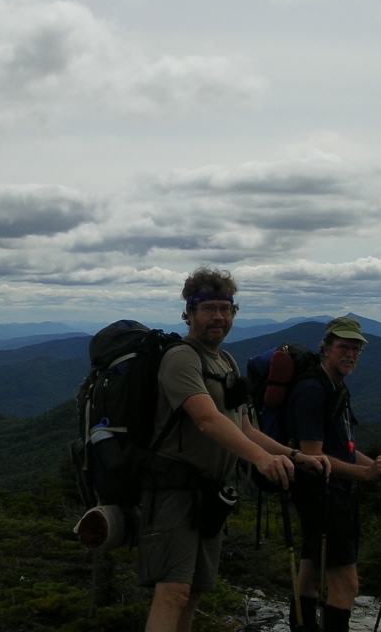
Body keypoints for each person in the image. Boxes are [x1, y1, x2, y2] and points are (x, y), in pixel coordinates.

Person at [139, 267, 331, 632]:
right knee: (174, 591)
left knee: (192, 591)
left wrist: (293, 456)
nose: (219, 317)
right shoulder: (181, 358)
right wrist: (261, 460)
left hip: (209, 494)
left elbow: (245, 428)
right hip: (173, 490)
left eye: (226, 309)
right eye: (208, 308)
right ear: (189, 313)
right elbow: (207, 420)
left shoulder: (224, 361)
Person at [287, 316, 381, 632]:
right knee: (347, 585)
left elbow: (345, 449)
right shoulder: (313, 389)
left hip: (327, 494)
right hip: (324, 495)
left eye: (355, 349)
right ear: (326, 348)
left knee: (310, 576)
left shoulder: (335, 386)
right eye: (343, 347)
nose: (350, 354)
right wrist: (366, 475)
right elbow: (312, 457)